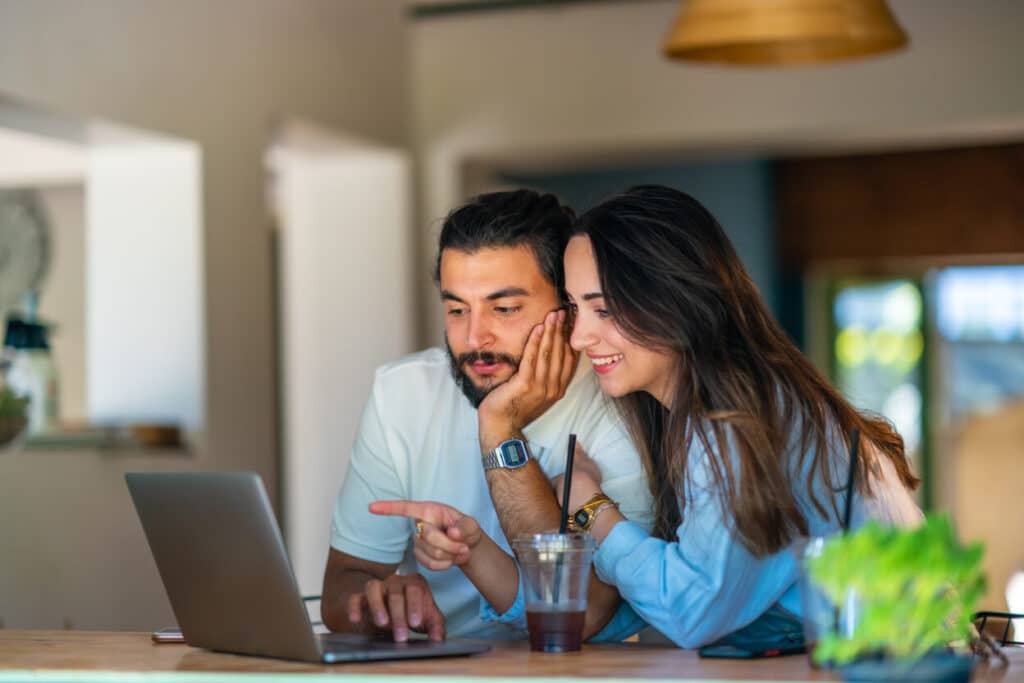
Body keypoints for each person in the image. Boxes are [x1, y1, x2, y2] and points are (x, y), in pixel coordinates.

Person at [379, 184, 923, 648]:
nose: (580, 336)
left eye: (605, 308)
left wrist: (592, 507)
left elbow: (691, 612)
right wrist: (477, 548)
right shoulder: (690, 416)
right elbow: (622, 613)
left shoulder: (740, 423)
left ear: (674, 298)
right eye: (574, 308)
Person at [320, 189, 653, 643]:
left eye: (505, 308)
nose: (474, 338)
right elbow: (344, 584)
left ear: (569, 308)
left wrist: (499, 426)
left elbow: (585, 613)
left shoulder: (625, 407)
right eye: (457, 309)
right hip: (438, 668)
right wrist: (379, 602)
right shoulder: (401, 392)